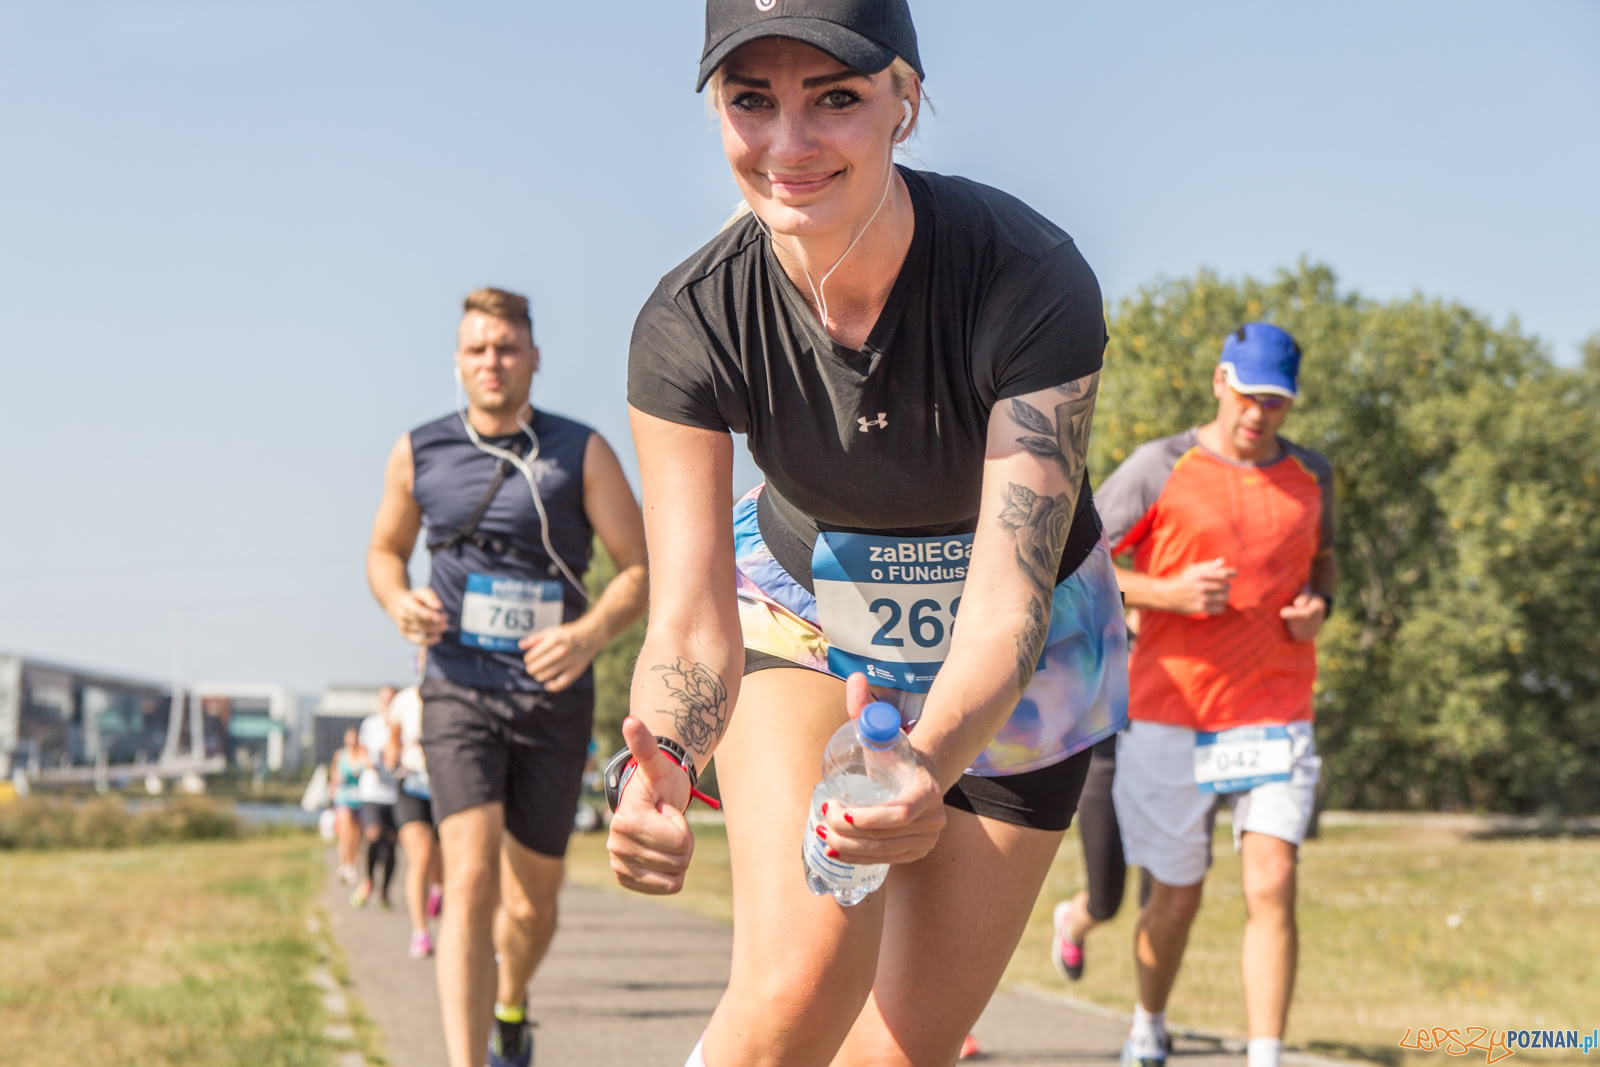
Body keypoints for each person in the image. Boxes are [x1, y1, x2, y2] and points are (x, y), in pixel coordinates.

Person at [608, 3, 1129, 1064]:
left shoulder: (1028, 277)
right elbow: (689, 620)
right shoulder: (688, 324)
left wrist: (924, 762)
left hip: (1029, 645)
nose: (788, 145)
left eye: (835, 99)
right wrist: (661, 755)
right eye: (751, 101)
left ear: (905, 99)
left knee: (897, 1049)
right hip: (807, 611)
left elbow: (1005, 599)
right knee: (796, 987)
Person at [366, 286, 648, 1067]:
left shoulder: (579, 451)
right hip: (457, 685)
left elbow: (638, 569)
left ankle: (511, 1005)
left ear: (533, 358)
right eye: (477, 348)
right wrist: (400, 599)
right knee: (471, 873)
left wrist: (588, 634)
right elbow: (384, 552)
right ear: (458, 362)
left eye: (506, 347)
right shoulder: (417, 450)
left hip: (553, 698)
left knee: (533, 902)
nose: (492, 361)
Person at [1104, 323, 1336, 1067]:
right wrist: (1163, 591)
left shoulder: (1313, 474)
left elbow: (1323, 564)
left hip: (1274, 710)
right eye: (1248, 395)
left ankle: (1264, 1052)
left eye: (1276, 401)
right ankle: (1149, 1019)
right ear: (1218, 381)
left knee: (1273, 880)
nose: (1259, 414)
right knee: (1176, 894)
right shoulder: (1157, 466)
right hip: (1172, 712)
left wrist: (1319, 607)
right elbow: (1069, 564)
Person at [388, 679, 444, 959]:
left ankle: (437, 889)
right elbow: (392, 743)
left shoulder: (455, 693)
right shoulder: (404, 700)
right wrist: (393, 755)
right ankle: (420, 933)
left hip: (446, 785)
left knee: (440, 857)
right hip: (411, 783)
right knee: (420, 856)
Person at [352, 684, 401, 910]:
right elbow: (361, 750)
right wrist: (367, 762)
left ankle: (385, 892)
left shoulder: (403, 723)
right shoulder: (370, 724)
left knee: (390, 843)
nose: (387, 703)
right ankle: (368, 881)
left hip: (396, 792)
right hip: (372, 790)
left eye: (391, 699)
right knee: (373, 835)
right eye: (384, 699)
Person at [328, 726, 365, 885]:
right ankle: (343, 864)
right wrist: (333, 787)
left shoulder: (364, 754)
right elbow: (334, 774)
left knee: (357, 834)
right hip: (343, 797)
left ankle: (351, 864)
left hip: (360, 797)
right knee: (345, 831)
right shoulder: (340, 755)